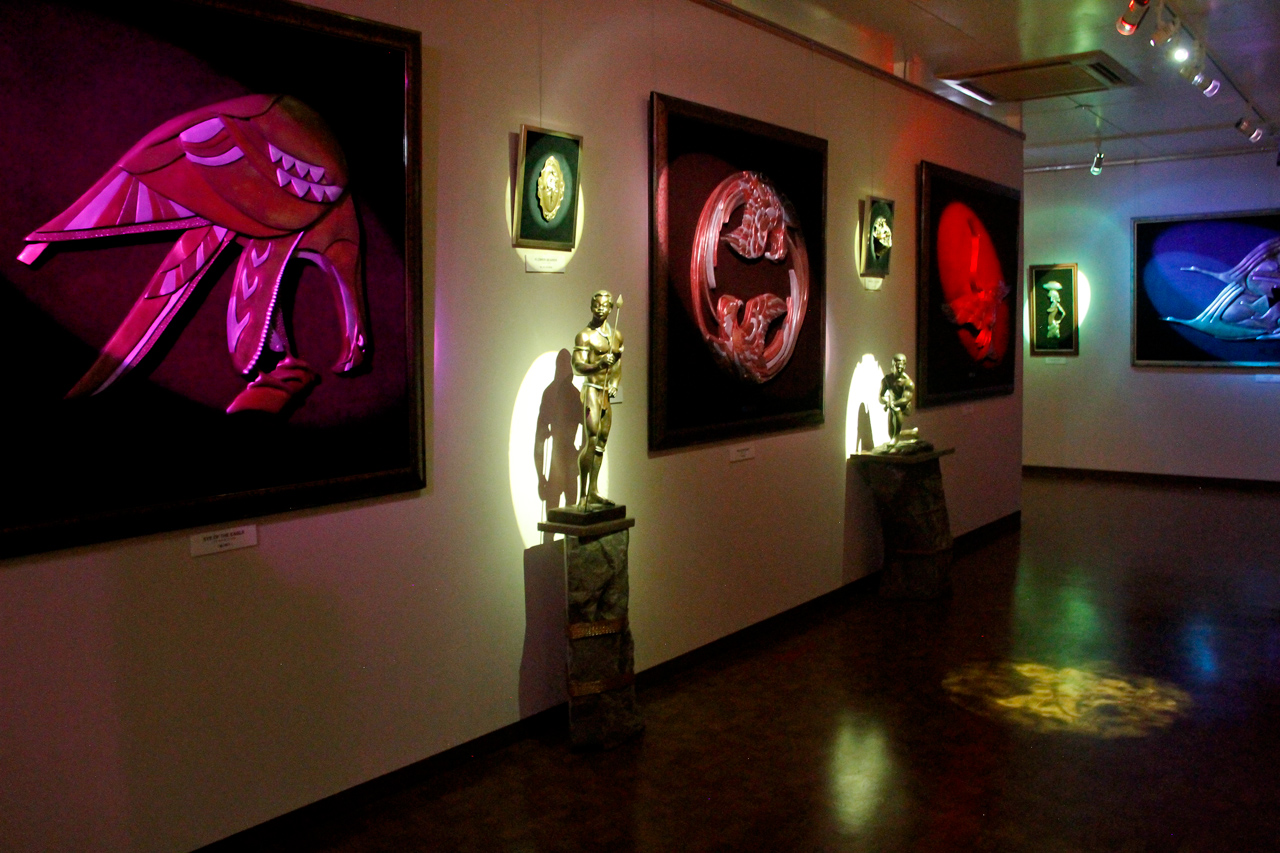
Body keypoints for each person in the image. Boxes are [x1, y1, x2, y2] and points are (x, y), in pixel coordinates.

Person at [571, 291, 623, 508]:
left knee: (601, 442)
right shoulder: (584, 336)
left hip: (605, 393)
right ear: (591, 307)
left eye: (604, 305)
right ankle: (582, 495)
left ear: (611, 308)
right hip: (592, 389)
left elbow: (617, 363)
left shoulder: (616, 335)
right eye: (597, 305)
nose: (600, 309)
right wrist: (599, 364)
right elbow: (577, 366)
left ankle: (593, 491)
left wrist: (615, 383)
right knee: (591, 440)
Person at [880, 353, 915, 444]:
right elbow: (880, 397)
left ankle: (896, 438)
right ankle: (910, 432)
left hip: (903, 407)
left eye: (902, 365)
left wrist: (893, 403)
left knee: (896, 410)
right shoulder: (887, 380)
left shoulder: (908, 383)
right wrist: (886, 400)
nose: (900, 368)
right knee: (891, 433)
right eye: (897, 365)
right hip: (891, 406)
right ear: (893, 364)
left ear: (905, 366)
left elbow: (906, 399)